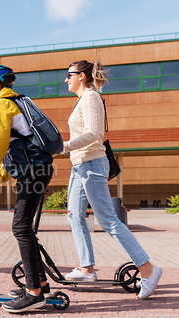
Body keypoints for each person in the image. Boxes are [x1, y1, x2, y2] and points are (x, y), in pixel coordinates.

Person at [62, 59, 162, 299]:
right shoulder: (80, 100)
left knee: (108, 220)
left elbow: (94, 134)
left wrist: (64, 146)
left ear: (82, 76)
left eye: (69, 75)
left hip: (93, 163)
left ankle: (148, 270)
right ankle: (86, 268)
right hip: (79, 165)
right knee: (74, 215)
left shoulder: (91, 98)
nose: (66, 79)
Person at [0, 65, 54, 313]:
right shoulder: (12, 102)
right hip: (36, 169)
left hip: (34, 172)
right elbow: (17, 147)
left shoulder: (1, 104)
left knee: (20, 227)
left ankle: (34, 293)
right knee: (24, 227)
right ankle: (39, 283)